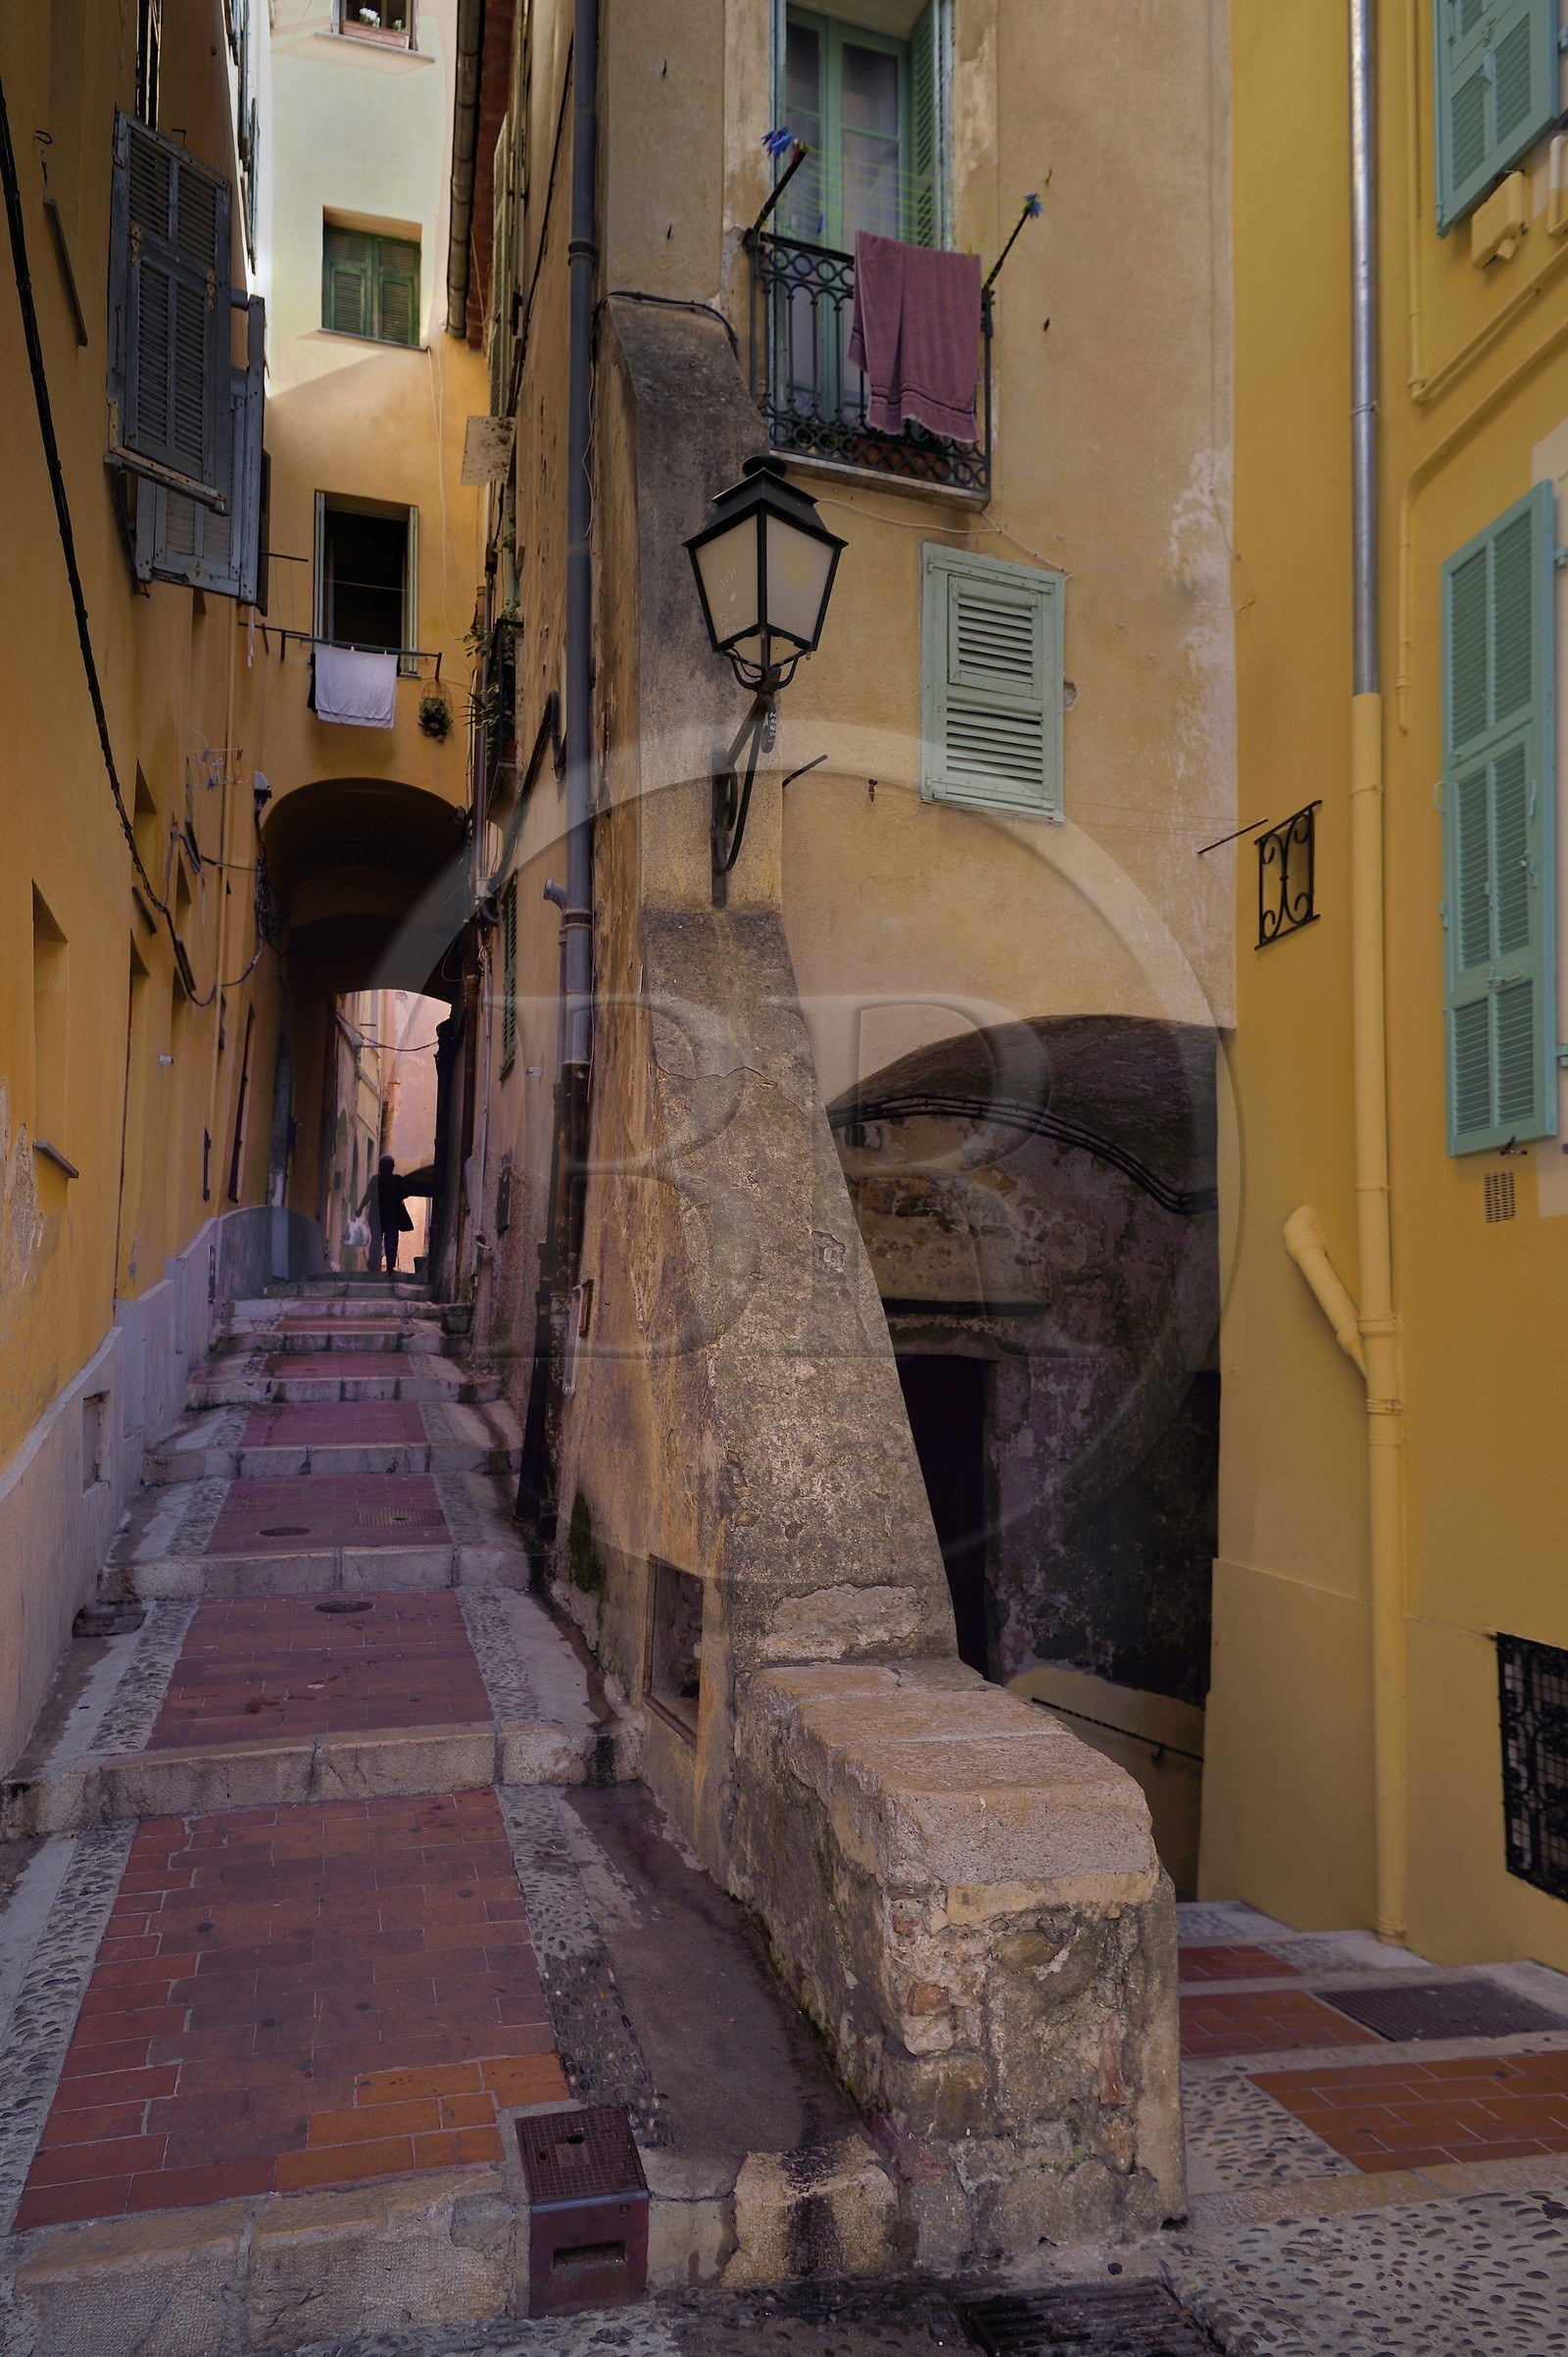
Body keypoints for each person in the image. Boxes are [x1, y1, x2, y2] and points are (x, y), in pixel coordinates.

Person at [359, 1154, 413, 1273]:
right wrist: (398, 1196)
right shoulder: (396, 1180)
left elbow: (368, 1195)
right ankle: (386, 1265)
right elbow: (408, 1191)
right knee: (390, 1241)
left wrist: (360, 1209)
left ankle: (376, 1263)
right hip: (388, 1217)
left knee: (378, 1240)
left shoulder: (378, 1180)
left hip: (381, 1216)